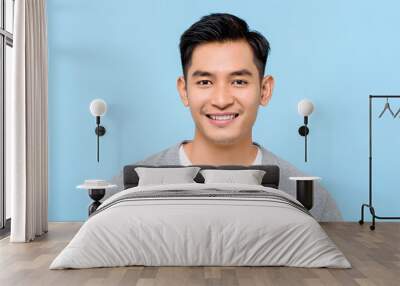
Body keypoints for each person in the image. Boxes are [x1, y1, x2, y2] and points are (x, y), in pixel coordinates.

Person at [108, 13, 342, 221]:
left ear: (265, 90)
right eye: (205, 82)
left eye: (239, 81)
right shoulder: (124, 189)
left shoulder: (311, 198)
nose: (221, 100)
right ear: (184, 90)